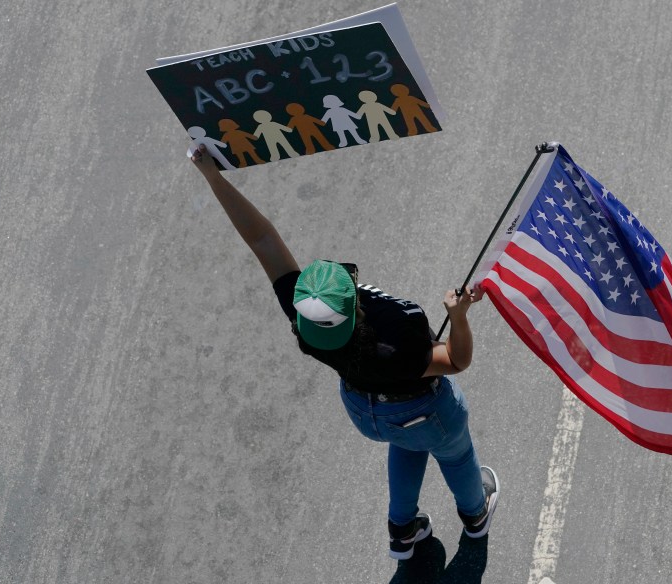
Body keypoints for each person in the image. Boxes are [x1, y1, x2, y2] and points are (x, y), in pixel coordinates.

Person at [189, 145, 499, 561]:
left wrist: (214, 179)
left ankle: (402, 531)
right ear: (354, 306)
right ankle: (476, 514)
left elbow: (261, 239)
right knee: (455, 452)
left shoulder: (304, 319)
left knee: (406, 444)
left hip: (367, 411)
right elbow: (457, 362)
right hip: (427, 410)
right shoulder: (397, 335)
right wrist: (458, 316)